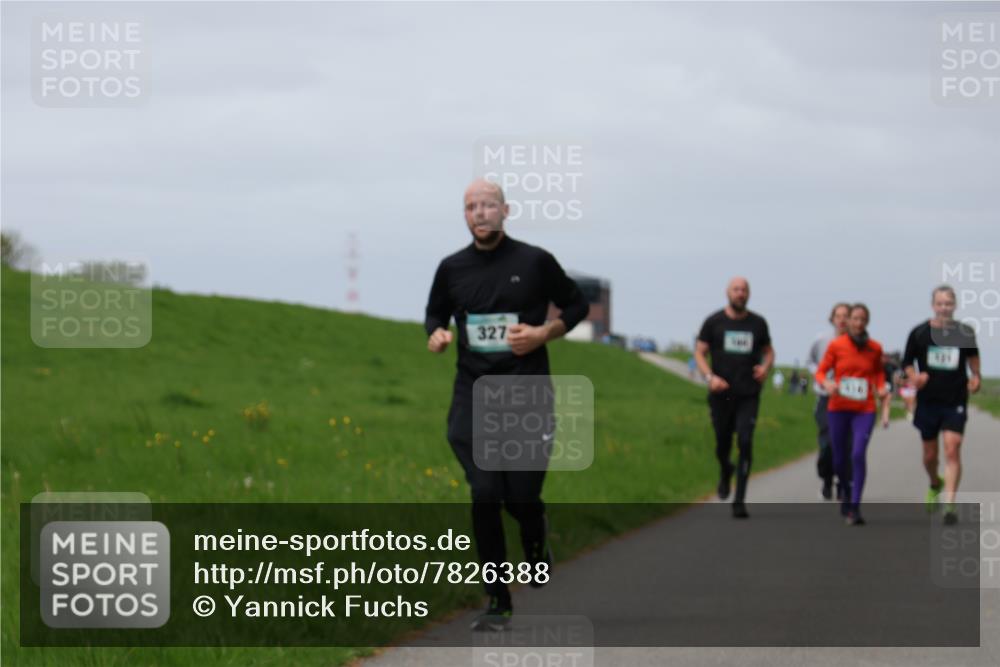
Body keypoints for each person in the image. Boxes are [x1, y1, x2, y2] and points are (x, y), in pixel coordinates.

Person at [425, 179, 589, 630]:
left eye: (487, 205)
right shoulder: (451, 268)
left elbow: (576, 305)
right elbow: (435, 313)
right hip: (474, 394)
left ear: (505, 210)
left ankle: (536, 540)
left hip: (526, 393)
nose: (479, 213)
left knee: (521, 497)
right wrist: (436, 334)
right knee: (484, 494)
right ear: (465, 215)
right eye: (470, 207)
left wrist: (543, 333)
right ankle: (498, 600)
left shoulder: (535, 261)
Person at [694, 277, 775, 519]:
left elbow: (769, 352)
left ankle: (739, 500)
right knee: (722, 444)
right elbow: (699, 352)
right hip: (721, 394)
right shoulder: (714, 321)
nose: (740, 293)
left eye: (744, 290)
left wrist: (765, 367)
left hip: (748, 394)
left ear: (748, 294)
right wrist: (710, 377)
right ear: (728, 293)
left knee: (746, 441)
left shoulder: (758, 323)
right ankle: (725, 469)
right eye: (736, 289)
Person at [902, 285, 981, 526]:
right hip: (928, 401)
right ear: (933, 305)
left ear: (954, 306)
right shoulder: (919, 333)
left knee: (952, 448)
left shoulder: (965, 332)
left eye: (948, 303)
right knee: (930, 455)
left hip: (955, 400)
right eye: (940, 303)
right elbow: (907, 363)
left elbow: (973, 358)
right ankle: (935, 483)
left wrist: (976, 376)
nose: (944, 308)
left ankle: (950, 503)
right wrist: (915, 377)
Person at [815, 304, 891, 526]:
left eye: (862, 319)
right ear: (848, 321)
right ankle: (846, 495)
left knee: (857, 454)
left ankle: (855, 507)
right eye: (855, 319)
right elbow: (821, 371)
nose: (858, 323)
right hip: (838, 408)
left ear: (867, 322)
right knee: (839, 459)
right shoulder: (837, 345)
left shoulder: (875, 348)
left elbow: (878, 373)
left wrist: (881, 387)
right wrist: (827, 383)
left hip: (864, 409)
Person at [807, 303, 850, 501]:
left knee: (845, 443)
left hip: (849, 399)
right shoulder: (821, 340)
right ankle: (826, 479)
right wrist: (821, 378)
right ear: (832, 319)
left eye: (846, 315)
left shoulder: (857, 343)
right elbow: (810, 361)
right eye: (838, 316)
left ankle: (842, 482)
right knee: (828, 443)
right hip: (826, 398)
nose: (842, 320)